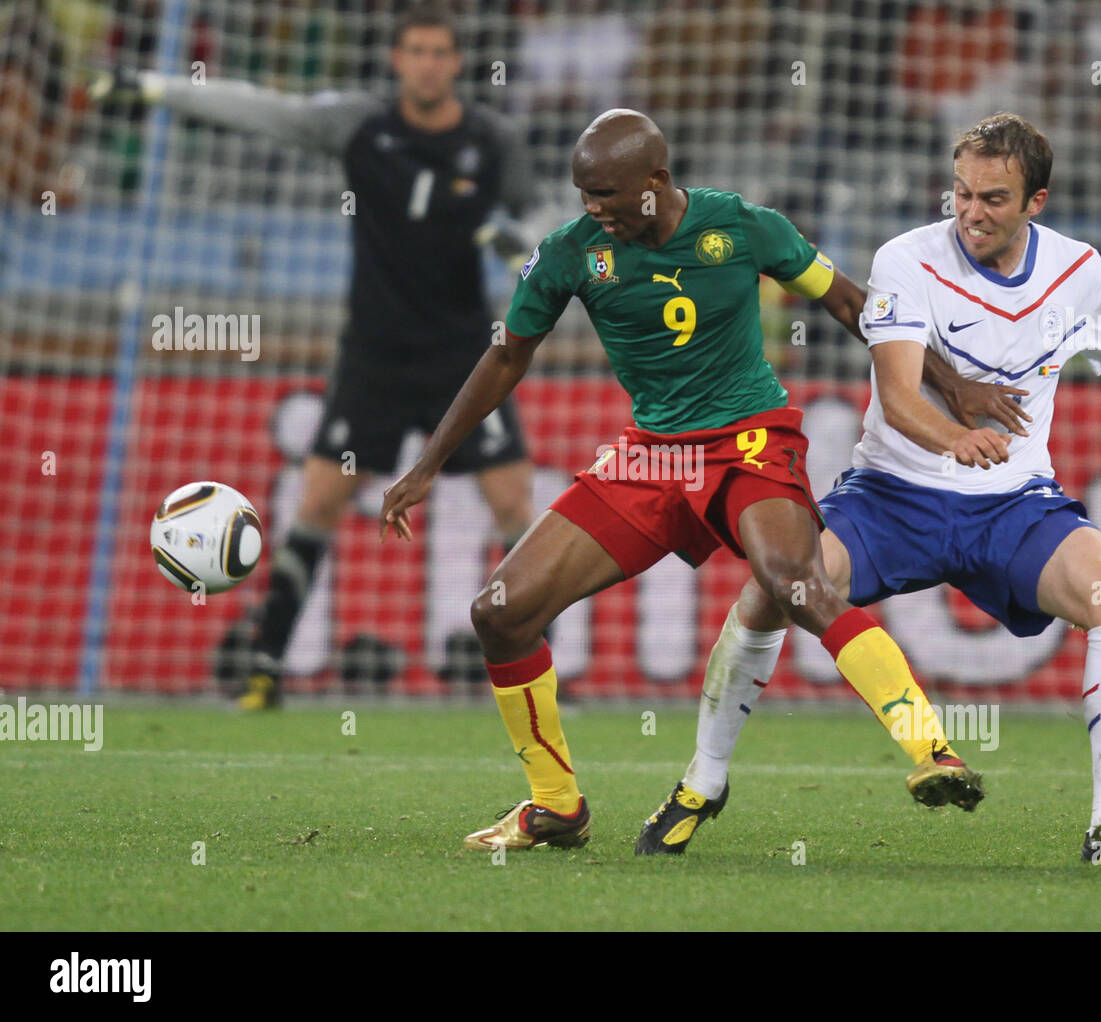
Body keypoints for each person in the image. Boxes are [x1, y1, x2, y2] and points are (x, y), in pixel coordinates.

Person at [378, 107, 1020, 852]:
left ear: (656, 181)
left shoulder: (744, 227)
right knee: (499, 611)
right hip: (652, 456)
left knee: (795, 582)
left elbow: (848, 302)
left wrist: (950, 383)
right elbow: (506, 357)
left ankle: (930, 748)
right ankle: (555, 807)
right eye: (583, 194)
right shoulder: (569, 253)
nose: (594, 210)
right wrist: (428, 463)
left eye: (607, 195)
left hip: (748, 441)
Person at [639, 112, 1101, 864]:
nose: (970, 212)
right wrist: (957, 438)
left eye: (992, 198)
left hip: (1014, 505)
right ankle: (703, 782)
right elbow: (897, 394)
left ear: (1036, 204)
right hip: (892, 496)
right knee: (775, 586)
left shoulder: (1079, 271)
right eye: (961, 192)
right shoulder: (908, 259)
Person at [92, 3, 538, 707]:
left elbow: (532, 216)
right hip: (376, 352)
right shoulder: (360, 124)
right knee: (321, 498)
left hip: (466, 354)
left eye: (439, 52)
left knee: (515, 504)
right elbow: (261, 109)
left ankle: (544, 675)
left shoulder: (492, 139)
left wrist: (517, 240)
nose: (427, 63)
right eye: (415, 50)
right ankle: (266, 668)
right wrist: (156, 88)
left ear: (456, 63)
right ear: (398, 60)